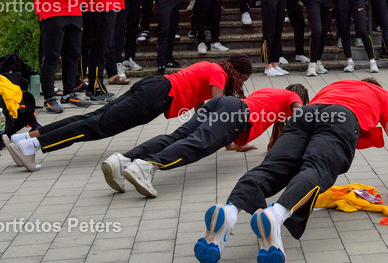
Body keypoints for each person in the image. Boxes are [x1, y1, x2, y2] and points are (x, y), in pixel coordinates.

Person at [194, 78, 388, 263]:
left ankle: (230, 210)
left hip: (305, 114)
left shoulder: (335, 85)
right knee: (317, 169)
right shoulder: (382, 94)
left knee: (271, 168)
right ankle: (276, 215)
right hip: (341, 119)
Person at [4, 57, 254, 172]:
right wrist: (227, 135)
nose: (240, 84)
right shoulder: (219, 73)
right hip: (156, 97)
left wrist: (229, 144)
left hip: (154, 86)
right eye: (242, 79)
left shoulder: (210, 67)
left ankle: (25, 139)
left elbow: (204, 109)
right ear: (236, 71)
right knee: (97, 126)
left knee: (93, 118)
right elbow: (218, 106)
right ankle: (33, 145)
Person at [102, 84, 308, 198]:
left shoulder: (269, 92)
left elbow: (239, 123)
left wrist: (236, 145)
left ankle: (122, 161)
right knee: (198, 143)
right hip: (236, 114)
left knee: (177, 136)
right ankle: (147, 166)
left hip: (222, 103)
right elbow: (300, 112)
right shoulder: (291, 96)